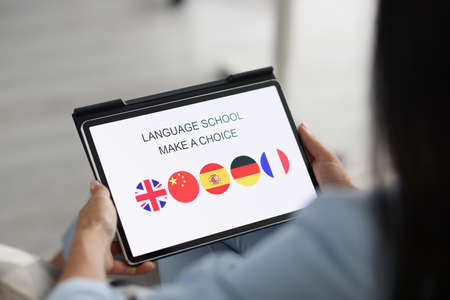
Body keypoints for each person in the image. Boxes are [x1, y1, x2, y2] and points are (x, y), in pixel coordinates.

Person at [46, 0, 450, 299]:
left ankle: (65, 265)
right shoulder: (376, 228)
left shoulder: (372, 239)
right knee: (224, 225)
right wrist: (345, 199)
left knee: (135, 232)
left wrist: (88, 237)